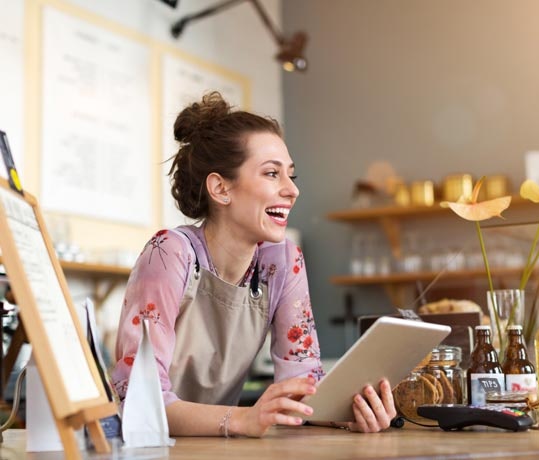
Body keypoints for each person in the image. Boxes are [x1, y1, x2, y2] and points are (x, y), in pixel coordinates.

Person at [112, 91, 396, 437]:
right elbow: (141, 398)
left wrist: (343, 413)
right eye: (272, 174)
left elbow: (301, 382)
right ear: (220, 188)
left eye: (291, 175)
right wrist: (242, 420)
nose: (292, 190)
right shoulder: (169, 253)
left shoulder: (282, 261)